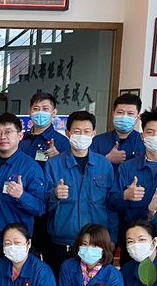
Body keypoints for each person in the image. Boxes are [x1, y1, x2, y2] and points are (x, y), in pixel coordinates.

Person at [44, 110, 116, 275]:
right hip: (62, 244)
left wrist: (111, 238)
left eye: (86, 131)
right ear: (68, 133)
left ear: (93, 134)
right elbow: (42, 204)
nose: (82, 135)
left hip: (96, 244)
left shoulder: (104, 165)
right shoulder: (53, 164)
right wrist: (54, 195)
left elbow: (111, 205)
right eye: (77, 131)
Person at [0, 113, 45, 268]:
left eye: (8, 132)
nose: (2, 137)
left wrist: (22, 196)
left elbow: (40, 207)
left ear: (20, 135)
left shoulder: (30, 167)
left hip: (13, 244)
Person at [106, 107, 157, 255]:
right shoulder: (127, 167)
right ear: (142, 136)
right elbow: (111, 202)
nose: (155, 136)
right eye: (150, 132)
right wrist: (125, 195)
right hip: (132, 241)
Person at [19, 91, 70, 260]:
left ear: (54, 113)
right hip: (23, 204)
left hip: (50, 209)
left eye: (45, 109)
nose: (40, 112)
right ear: (30, 111)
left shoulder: (62, 143)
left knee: (50, 258)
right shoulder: (20, 140)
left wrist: (59, 157)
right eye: (36, 108)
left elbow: (70, 173)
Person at [91, 93, 144, 173]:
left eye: (130, 113)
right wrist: (106, 159)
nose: (124, 116)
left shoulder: (144, 142)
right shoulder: (97, 141)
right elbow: (87, 170)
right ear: (113, 114)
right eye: (120, 112)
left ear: (138, 117)